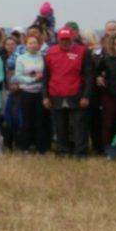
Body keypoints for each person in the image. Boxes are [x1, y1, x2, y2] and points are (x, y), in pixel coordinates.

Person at [43, 27, 91, 158]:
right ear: (58, 39)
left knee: (79, 126)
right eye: (62, 40)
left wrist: (86, 96)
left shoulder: (83, 51)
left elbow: (88, 76)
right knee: (60, 125)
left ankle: (80, 153)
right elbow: (46, 76)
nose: (65, 43)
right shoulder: (50, 52)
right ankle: (63, 151)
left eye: (67, 40)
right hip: (56, 93)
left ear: (73, 38)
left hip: (76, 94)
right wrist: (45, 96)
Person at [14, 34, 48, 153]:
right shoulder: (21, 58)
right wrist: (33, 79)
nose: (33, 45)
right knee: (27, 120)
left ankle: (41, 148)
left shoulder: (43, 57)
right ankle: (25, 147)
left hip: (40, 93)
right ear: (26, 45)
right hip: (26, 92)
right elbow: (18, 77)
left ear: (39, 45)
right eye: (30, 43)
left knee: (40, 121)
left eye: (35, 43)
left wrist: (41, 77)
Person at [97, 32, 116, 151]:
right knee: (107, 122)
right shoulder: (106, 58)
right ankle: (107, 148)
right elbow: (98, 72)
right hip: (108, 93)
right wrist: (98, 77)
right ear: (112, 45)